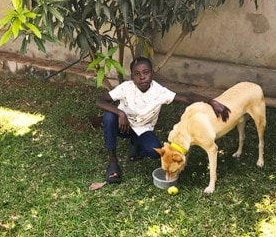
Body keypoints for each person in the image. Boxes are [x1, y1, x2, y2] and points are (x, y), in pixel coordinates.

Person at [95, 57, 231, 183]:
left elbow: (187, 98)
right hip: (123, 126)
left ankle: (136, 144)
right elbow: (100, 101)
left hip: (142, 129)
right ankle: (113, 162)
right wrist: (120, 113)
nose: (142, 77)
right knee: (109, 117)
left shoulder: (159, 92)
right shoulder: (126, 87)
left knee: (155, 152)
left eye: (145, 72)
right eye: (137, 74)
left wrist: (212, 102)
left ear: (152, 74)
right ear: (132, 77)